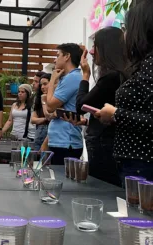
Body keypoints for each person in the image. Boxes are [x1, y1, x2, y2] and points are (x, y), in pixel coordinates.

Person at [95, 0, 153, 184]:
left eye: (125, 28)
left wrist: (116, 113)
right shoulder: (144, 64)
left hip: (142, 164)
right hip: (134, 162)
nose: (124, 35)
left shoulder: (150, 65)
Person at [71, 27, 128, 186]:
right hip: (109, 144)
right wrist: (90, 122)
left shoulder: (111, 77)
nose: (90, 51)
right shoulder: (121, 75)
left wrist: (85, 76)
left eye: (95, 46)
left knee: (103, 191)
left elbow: (81, 105)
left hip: (104, 147)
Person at [46, 43, 84, 165]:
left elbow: (50, 106)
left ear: (67, 56)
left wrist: (52, 80)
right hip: (61, 140)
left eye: (58, 55)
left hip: (66, 142)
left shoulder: (72, 78)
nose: (55, 59)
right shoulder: (68, 78)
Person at [31, 73, 52, 151]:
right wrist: (45, 119)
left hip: (50, 136)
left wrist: (44, 101)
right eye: (41, 85)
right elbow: (33, 119)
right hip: (39, 133)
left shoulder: (55, 98)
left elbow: (49, 115)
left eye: (45, 84)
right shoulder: (38, 98)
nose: (42, 87)